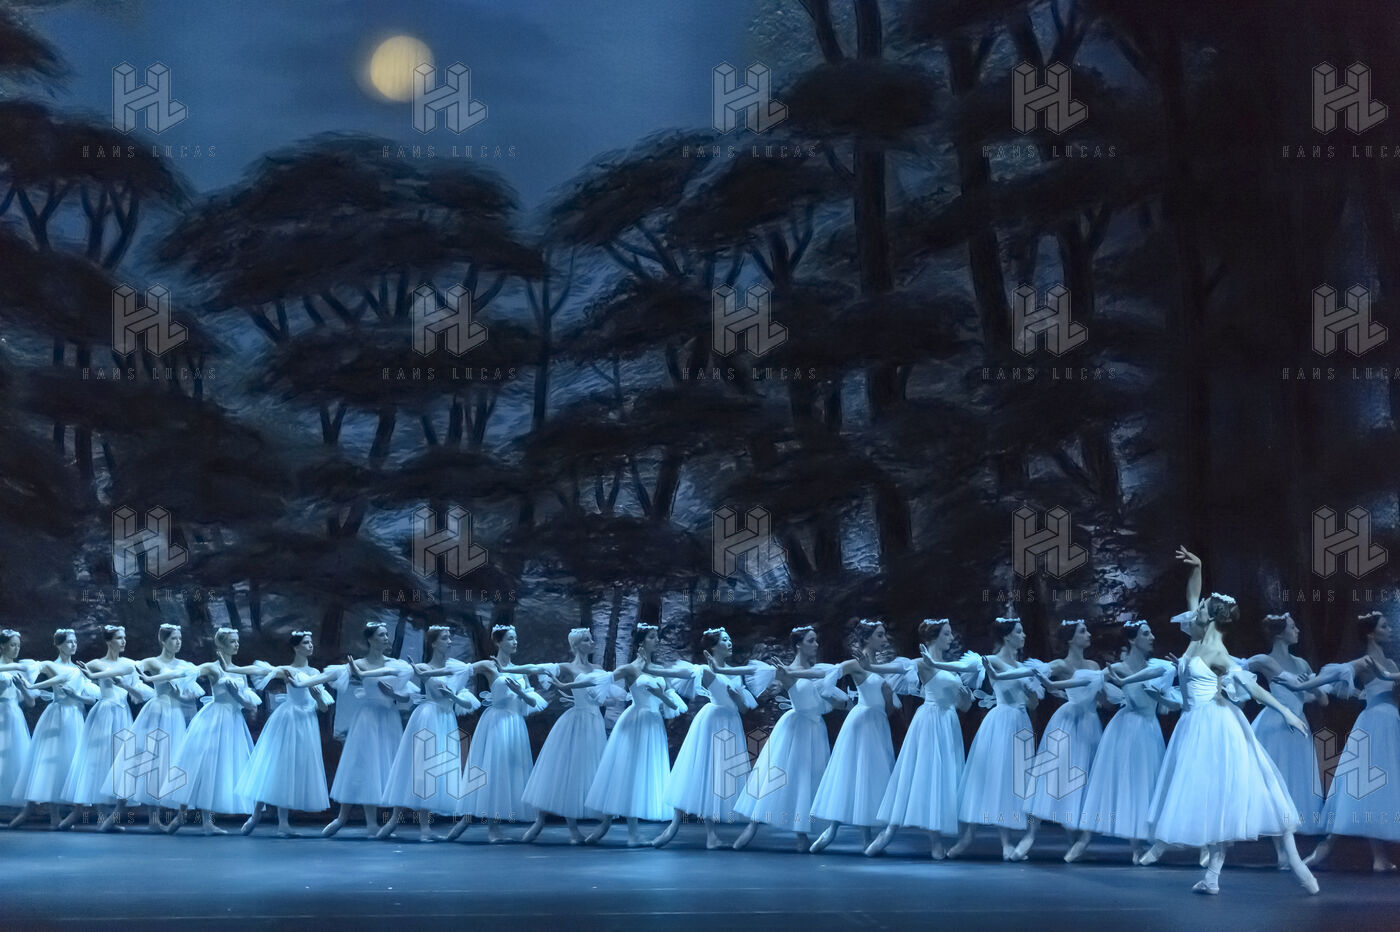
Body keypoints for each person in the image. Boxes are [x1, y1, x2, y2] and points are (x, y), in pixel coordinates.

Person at [1139, 546, 1318, 896]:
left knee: (1241, 793)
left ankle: (1297, 863)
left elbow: (1252, 687)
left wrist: (1285, 712)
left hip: (1216, 724)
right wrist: (1198, 567)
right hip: (1193, 723)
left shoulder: (1217, 651)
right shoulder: (1196, 637)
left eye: (1204, 608)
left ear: (1212, 618)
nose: (1197, 608)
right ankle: (1212, 877)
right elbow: (1193, 596)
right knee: (1215, 800)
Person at [863, 619, 980, 859]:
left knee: (942, 779)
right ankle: (894, 832)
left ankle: (935, 839)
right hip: (930, 722)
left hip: (948, 724)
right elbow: (893, 670)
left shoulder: (951, 667)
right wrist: (871, 667)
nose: (951, 638)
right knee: (921, 776)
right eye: (947, 634)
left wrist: (965, 697)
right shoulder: (922, 663)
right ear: (934, 637)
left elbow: (965, 707)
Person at [731, 626, 849, 853]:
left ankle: (801, 832)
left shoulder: (818, 671)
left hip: (815, 729)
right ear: (798, 645)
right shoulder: (786, 671)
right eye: (811, 640)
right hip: (796, 728)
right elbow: (760, 675)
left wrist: (835, 702)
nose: (816, 645)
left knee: (808, 778)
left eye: (816, 640)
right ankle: (753, 825)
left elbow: (828, 701)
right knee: (777, 775)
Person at [652, 627, 773, 849]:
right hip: (712, 722)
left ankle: (711, 836)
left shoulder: (735, 672)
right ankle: (675, 825)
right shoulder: (705, 670)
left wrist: (737, 698)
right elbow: (679, 674)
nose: (729, 643)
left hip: (731, 724)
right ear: (713, 648)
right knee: (701, 771)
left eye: (729, 639)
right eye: (724, 640)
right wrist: (649, 668)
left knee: (719, 776)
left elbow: (744, 709)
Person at [1075, 620, 1178, 863]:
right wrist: (1052, 684)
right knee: (1123, 781)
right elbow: (1090, 681)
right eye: (1146, 634)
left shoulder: (1158, 667)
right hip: (1127, 728)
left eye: (1151, 633)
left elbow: (1166, 702)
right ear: (1132, 639)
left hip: (1149, 728)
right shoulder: (1119, 667)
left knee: (1145, 783)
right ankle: (1088, 839)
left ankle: (1140, 841)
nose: (1152, 637)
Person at [582, 624, 690, 847]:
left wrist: (661, 695)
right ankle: (623, 829)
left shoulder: (659, 669)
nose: (657, 640)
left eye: (657, 637)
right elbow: (600, 681)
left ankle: (629, 831)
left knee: (643, 773)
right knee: (629, 771)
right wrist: (569, 685)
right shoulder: (630, 669)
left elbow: (673, 704)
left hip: (653, 723)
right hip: (635, 722)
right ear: (641, 642)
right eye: (652, 637)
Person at [949, 616, 1045, 861]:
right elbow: (972, 670)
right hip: (1001, 722)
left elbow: (1033, 704)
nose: (1023, 636)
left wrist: (1030, 692)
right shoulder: (992, 660)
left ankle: (1011, 840)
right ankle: (971, 837)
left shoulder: (1022, 665)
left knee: (1014, 779)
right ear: (1007, 636)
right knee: (993, 776)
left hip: (1020, 723)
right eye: (1019, 632)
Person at [448, 625, 548, 843]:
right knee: (490, 769)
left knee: (507, 771)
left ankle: (490, 825)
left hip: (514, 724)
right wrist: (440, 683)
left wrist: (520, 692)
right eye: (510, 638)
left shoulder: (520, 670)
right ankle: (475, 822)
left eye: (516, 638)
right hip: (496, 722)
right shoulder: (489, 665)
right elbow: (461, 672)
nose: (515, 642)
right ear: (498, 642)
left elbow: (532, 702)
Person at [165, 626, 268, 835]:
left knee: (220, 769)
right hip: (213, 719)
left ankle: (207, 822)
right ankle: (182, 813)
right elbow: (190, 674)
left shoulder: (239, 671)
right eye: (232, 641)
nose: (236, 645)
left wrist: (237, 695)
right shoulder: (212, 668)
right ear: (221, 644)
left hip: (233, 722)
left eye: (237, 641)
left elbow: (249, 705)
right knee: (201, 764)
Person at [808, 620, 900, 854]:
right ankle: (832, 829)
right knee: (851, 773)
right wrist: (841, 701)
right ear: (867, 638)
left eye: (884, 635)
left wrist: (888, 695)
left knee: (868, 776)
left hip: (878, 723)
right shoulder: (855, 663)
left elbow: (889, 709)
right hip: (862, 722)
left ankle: (865, 838)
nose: (884, 640)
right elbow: (825, 677)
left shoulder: (879, 667)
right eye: (880, 635)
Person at [322, 622, 415, 838]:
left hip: (389, 719)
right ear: (370, 639)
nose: (386, 638)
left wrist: (393, 694)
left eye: (387, 635)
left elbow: (406, 697)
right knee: (365, 765)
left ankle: (388, 821)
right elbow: (330, 676)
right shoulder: (359, 664)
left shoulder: (395, 664)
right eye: (381, 635)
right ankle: (355, 820)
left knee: (389, 765)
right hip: (368, 719)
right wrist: (303, 683)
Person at [237, 630, 334, 837]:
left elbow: (324, 708)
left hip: (307, 721)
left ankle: (283, 823)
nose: (310, 646)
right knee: (276, 765)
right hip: (288, 719)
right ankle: (256, 814)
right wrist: (231, 668)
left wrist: (318, 698)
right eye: (306, 643)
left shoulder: (315, 673)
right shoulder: (287, 670)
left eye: (311, 642)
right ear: (296, 647)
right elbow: (261, 670)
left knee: (293, 770)